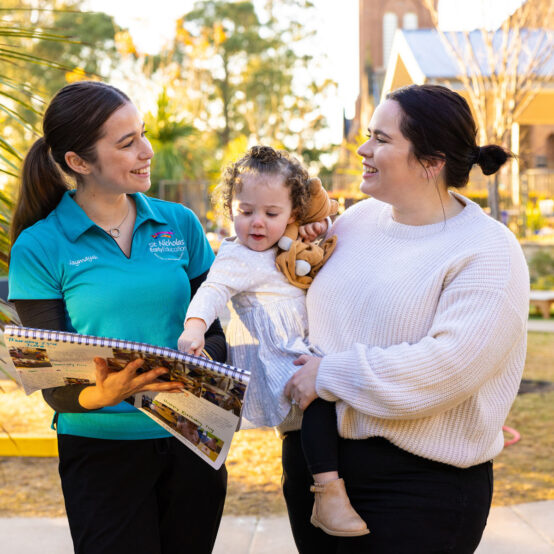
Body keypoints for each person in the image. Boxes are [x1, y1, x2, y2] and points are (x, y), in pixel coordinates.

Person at [283, 84, 530, 554]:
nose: (363, 148)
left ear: (431, 161)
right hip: (315, 469)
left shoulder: (488, 250)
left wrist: (331, 374)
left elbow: (449, 367)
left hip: (416, 488)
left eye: (381, 138)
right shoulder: (354, 223)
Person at [8, 81, 227, 554]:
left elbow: (214, 334)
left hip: (194, 438)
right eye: (126, 143)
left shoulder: (181, 224)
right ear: (78, 162)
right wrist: (99, 393)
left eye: (142, 135)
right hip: (101, 449)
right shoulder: (40, 247)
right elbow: (53, 381)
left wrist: (199, 362)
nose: (146, 151)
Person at [178, 145, 369, 537]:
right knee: (316, 400)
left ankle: (326, 493)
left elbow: (317, 242)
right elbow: (212, 290)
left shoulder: (291, 241)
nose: (257, 224)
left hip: (308, 346)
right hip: (280, 354)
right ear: (230, 208)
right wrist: (195, 327)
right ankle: (329, 493)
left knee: (317, 414)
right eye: (245, 212)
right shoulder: (236, 255)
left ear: (293, 214)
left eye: (271, 213)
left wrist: (316, 228)